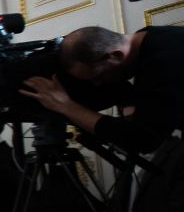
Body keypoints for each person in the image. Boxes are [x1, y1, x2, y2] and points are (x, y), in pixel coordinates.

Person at [22, 25, 184, 155]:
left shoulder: (162, 62)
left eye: (98, 76)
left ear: (115, 56)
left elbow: (144, 140)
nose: (98, 84)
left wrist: (66, 106)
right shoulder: (155, 39)